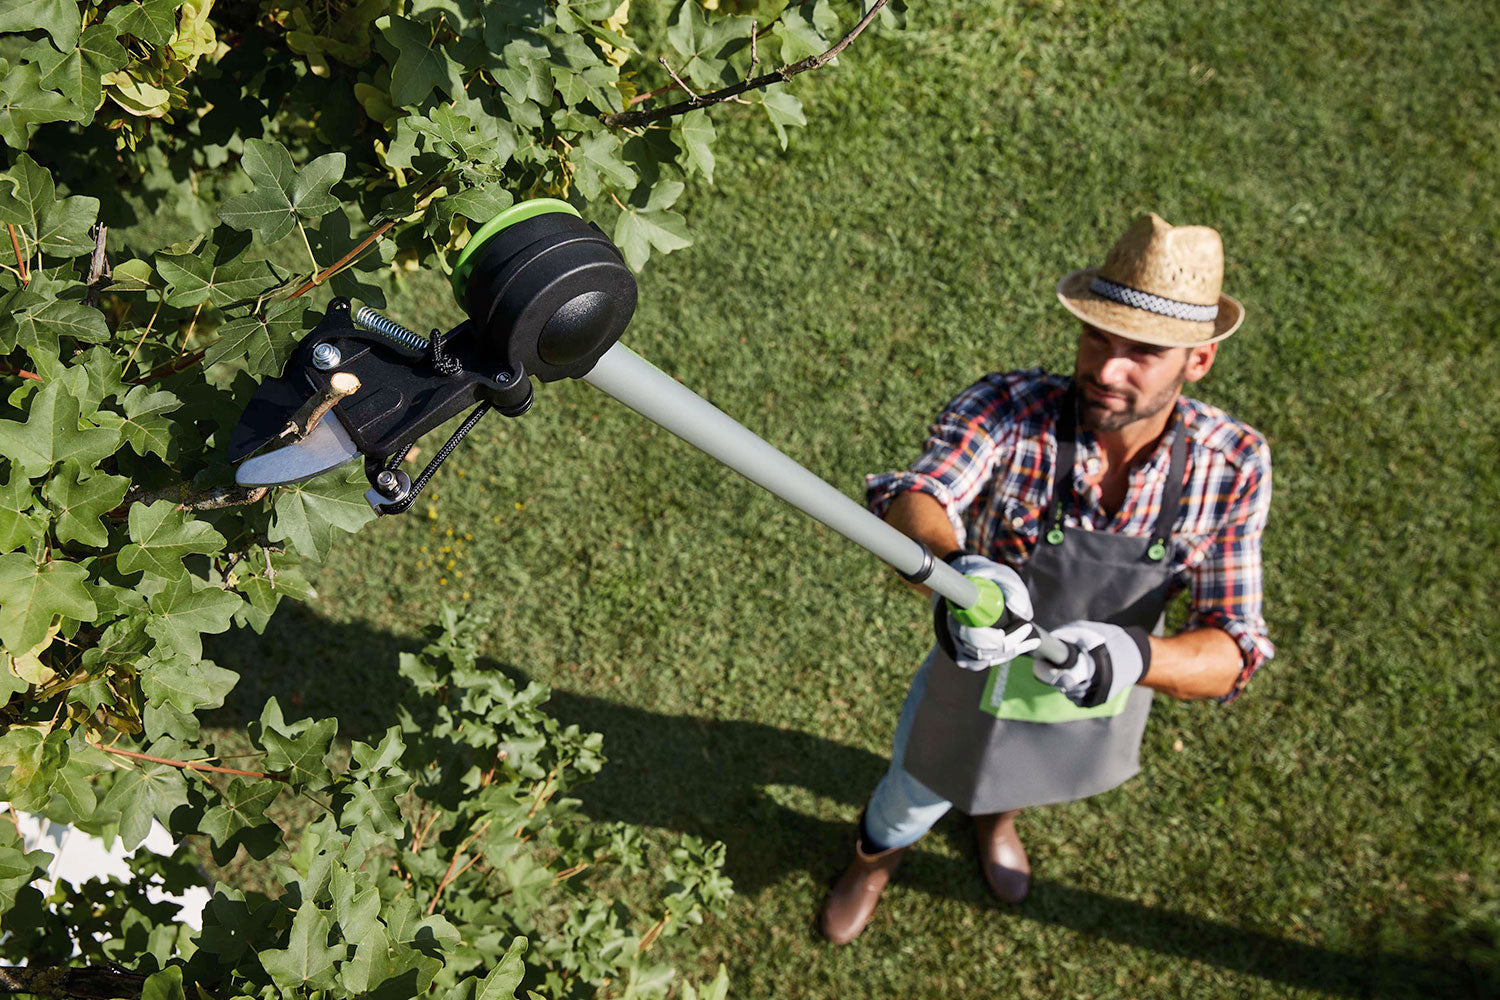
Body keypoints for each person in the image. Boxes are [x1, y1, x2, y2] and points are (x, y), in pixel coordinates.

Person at [819, 213, 1275, 944]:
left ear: (1198, 362)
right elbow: (918, 495)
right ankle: (873, 862)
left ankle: (996, 820)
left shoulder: (1233, 465)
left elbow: (1234, 648)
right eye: (1098, 335)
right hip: (974, 673)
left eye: (1143, 353)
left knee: (1024, 774)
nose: (1105, 368)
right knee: (915, 789)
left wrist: (1134, 657)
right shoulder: (1010, 408)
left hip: (1092, 693)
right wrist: (957, 569)